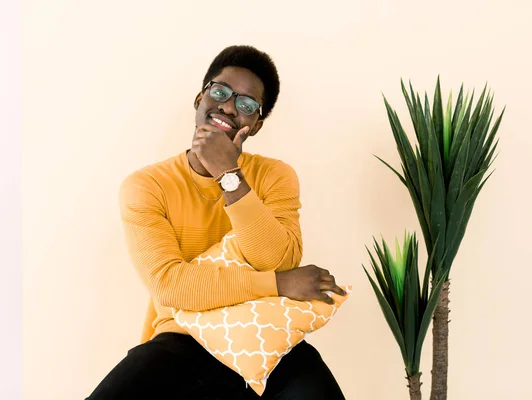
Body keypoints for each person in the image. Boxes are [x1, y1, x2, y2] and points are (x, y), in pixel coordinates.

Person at [86, 45, 347, 400]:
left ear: (256, 124)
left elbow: (276, 259)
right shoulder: (147, 186)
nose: (227, 107)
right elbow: (171, 285)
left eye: (246, 104)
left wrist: (229, 175)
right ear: (200, 97)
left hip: (264, 338)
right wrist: (279, 284)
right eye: (221, 92)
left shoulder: (274, 176)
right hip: (181, 340)